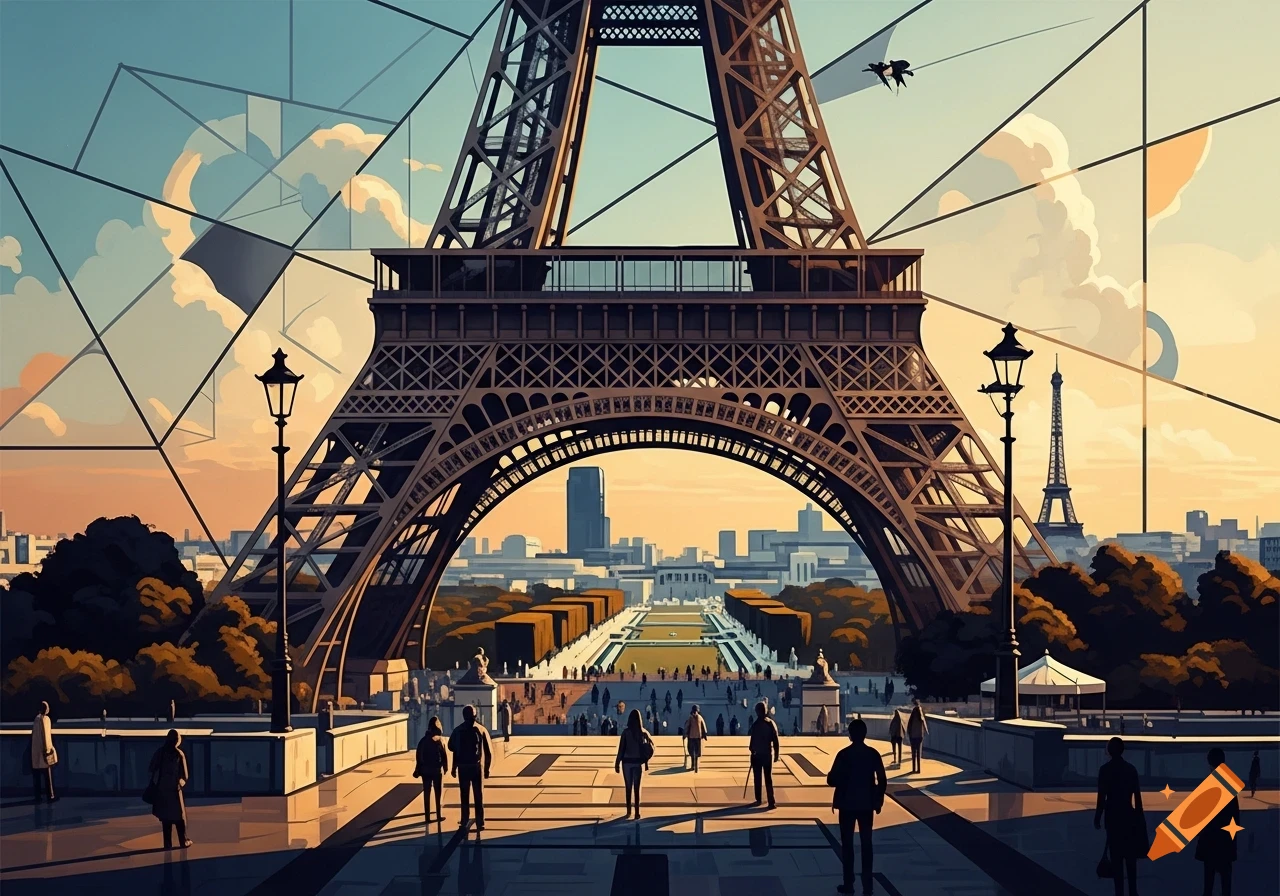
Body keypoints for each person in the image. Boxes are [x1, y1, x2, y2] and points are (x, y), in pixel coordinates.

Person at [827, 719, 887, 895]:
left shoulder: (844, 755)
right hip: (866, 804)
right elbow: (882, 780)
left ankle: (849, 883)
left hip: (847, 804)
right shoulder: (873, 754)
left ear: (851, 735)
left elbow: (832, 780)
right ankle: (868, 885)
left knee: (847, 845)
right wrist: (878, 800)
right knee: (866, 844)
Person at [1094, 736, 1143, 896]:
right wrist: (1139, 818)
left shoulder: (1105, 770)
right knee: (1130, 858)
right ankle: (1133, 891)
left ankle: (1119, 892)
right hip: (1128, 815)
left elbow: (1101, 797)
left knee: (1116, 859)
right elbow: (1137, 797)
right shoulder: (1131, 769)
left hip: (1113, 817)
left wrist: (1098, 816)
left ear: (1109, 750)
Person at [1196, 747, 1239, 896]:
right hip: (1225, 840)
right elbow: (1234, 816)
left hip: (1210, 841)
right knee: (1226, 882)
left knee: (1208, 883)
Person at [448, 705, 493, 832]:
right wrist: (487, 769)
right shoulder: (481, 729)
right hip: (476, 767)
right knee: (478, 795)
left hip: (464, 767)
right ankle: (479, 821)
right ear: (475, 715)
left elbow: (452, 748)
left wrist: (454, 767)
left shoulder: (458, 730)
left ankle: (465, 820)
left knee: (465, 795)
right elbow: (488, 752)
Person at [148, 729, 192, 849]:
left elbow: (151, 768)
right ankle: (183, 841)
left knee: (166, 819)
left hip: (162, 790)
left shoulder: (160, 752)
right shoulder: (179, 754)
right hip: (174, 790)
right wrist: (180, 783)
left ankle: (167, 844)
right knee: (179, 818)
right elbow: (185, 776)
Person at [615, 709, 655, 819]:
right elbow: (652, 748)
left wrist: (617, 763)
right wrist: (645, 759)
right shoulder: (643, 733)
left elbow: (621, 750)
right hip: (638, 763)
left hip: (627, 763)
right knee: (637, 788)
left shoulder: (625, 733)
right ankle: (637, 812)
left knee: (628, 787)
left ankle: (628, 811)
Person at [414, 716, 449, 821]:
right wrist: (445, 767)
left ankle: (427, 817)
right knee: (438, 793)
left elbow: (419, 756)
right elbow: (444, 755)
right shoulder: (439, 740)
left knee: (427, 792)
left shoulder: (423, 741)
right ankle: (438, 815)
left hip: (425, 771)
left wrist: (419, 768)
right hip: (436, 770)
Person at [747, 701, 780, 809]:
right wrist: (776, 754)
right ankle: (771, 801)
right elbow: (776, 740)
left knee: (757, 778)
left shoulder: (755, 725)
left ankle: (758, 799)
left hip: (757, 755)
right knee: (768, 778)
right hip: (767, 755)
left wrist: (752, 750)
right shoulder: (770, 724)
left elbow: (752, 743)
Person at [29, 701, 57, 803]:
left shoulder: (36, 719)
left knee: (37, 776)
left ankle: (38, 797)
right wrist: (48, 749)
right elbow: (46, 736)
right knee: (47, 775)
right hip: (44, 751)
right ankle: (50, 796)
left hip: (36, 752)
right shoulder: (45, 719)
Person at [906, 699, 928, 773]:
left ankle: (914, 769)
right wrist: (926, 731)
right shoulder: (920, 711)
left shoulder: (914, 712)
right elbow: (924, 722)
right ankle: (918, 769)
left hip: (913, 736)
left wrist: (908, 733)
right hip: (919, 735)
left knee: (913, 753)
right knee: (918, 753)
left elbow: (909, 724)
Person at [684, 704, 708, 771]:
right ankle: (696, 766)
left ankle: (693, 766)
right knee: (696, 753)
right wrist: (705, 734)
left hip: (692, 737)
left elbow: (686, 727)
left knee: (692, 752)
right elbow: (704, 727)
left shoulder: (690, 718)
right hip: (698, 737)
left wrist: (685, 734)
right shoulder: (699, 717)